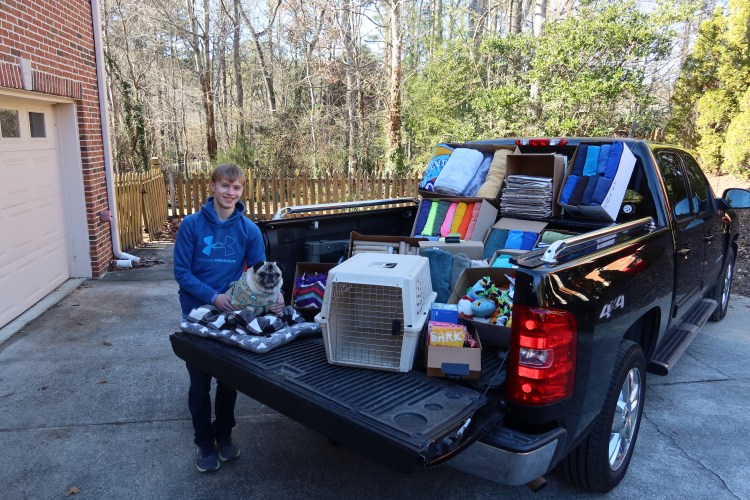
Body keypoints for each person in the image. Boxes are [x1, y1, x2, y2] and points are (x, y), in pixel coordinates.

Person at [174, 163, 284, 472]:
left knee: (228, 381)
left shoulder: (249, 230)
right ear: (212, 186)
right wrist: (213, 297)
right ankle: (203, 442)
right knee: (199, 384)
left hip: (234, 315)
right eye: (224, 185)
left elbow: (262, 272)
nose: (230, 192)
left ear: (242, 191)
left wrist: (277, 295)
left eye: (236, 188)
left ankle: (224, 435)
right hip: (197, 314)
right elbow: (181, 272)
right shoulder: (191, 225)